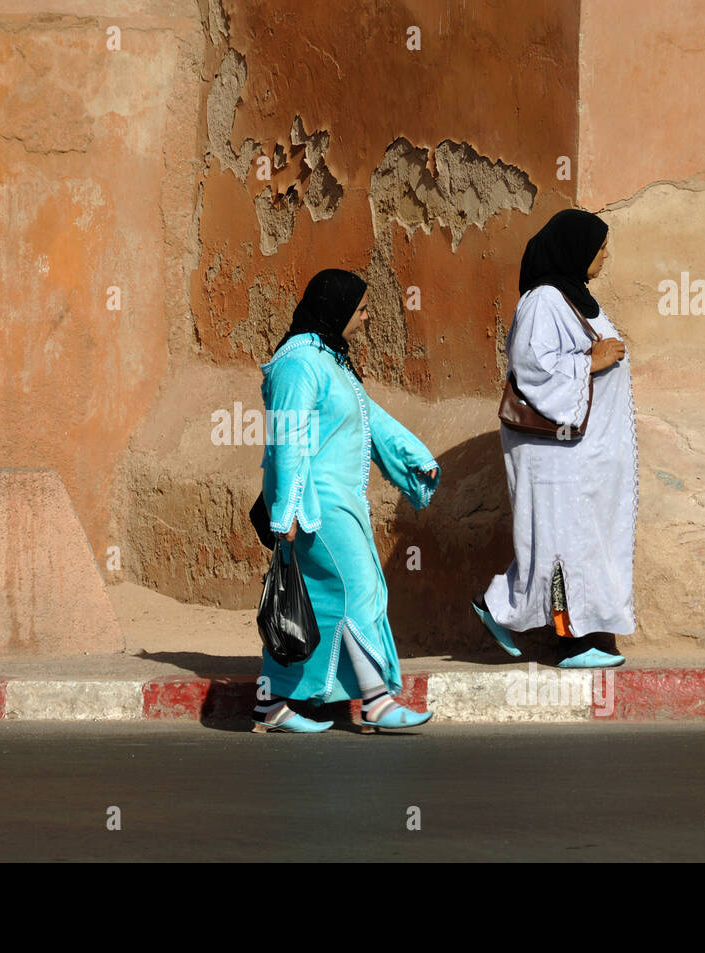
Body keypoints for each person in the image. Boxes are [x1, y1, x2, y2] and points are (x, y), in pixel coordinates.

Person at [254, 269, 440, 732]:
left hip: (341, 504)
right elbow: (288, 439)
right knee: (362, 590)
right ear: (335, 310)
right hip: (315, 506)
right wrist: (287, 510)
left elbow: (370, 420)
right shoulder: (297, 364)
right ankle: (377, 700)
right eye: (360, 308)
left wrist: (415, 460)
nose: (366, 316)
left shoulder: (330, 362)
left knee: (317, 602)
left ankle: (272, 704)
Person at [474, 209, 636, 668]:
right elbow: (531, 365)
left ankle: (501, 607)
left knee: (573, 539)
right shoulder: (543, 299)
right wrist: (592, 363)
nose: (605, 255)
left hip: (578, 451)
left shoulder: (576, 299)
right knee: (560, 543)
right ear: (574, 249)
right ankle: (570, 642)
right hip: (552, 448)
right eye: (599, 246)